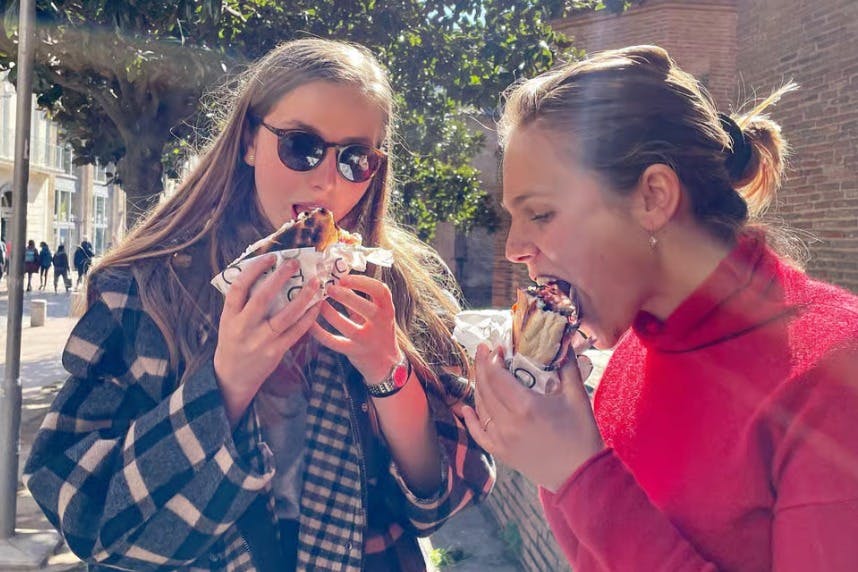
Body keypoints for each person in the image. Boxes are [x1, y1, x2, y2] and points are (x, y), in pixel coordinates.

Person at [24, 38, 494, 571]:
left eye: (355, 158)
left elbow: (443, 502)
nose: (326, 178)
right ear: (250, 141)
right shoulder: (146, 287)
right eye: (301, 146)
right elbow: (81, 509)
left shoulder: (401, 289)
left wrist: (388, 373)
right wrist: (227, 381)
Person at [462, 45, 858, 570]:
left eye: (540, 213)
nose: (514, 247)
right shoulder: (628, 359)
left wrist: (579, 474)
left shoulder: (832, 375)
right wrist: (554, 457)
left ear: (652, 197)